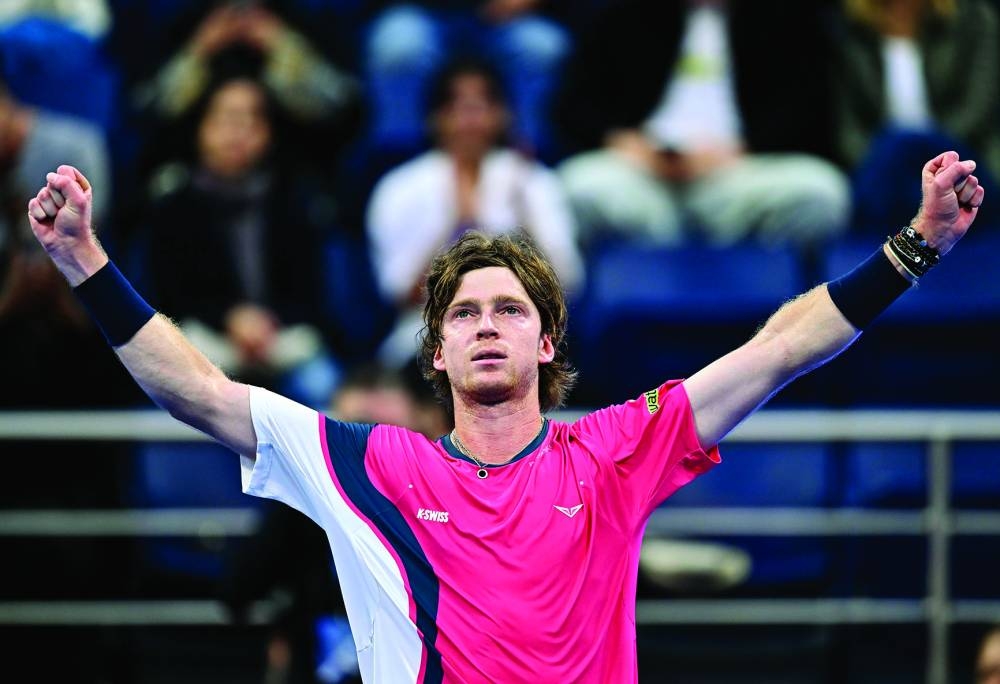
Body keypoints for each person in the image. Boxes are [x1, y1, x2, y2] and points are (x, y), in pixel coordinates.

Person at [27, 150, 983, 681]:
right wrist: (86, 268)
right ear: (435, 350)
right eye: (466, 313)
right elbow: (197, 390)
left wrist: (914, 246)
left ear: (546, 345)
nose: (488, 326)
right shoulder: (370, 462)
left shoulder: (615, 449)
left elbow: (780, 347)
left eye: (511, 310)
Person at [556, 0, 850, 248]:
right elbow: (573, 105)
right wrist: (626, 143)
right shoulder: (625, 13)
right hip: (645, 176)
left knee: (821, 192)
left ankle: (767, 300)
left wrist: (741, 150)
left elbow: (805, 110)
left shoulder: (784, 15)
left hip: (738, 173)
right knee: (575, 187)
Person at [366, 58, 583, 367]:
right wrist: (458, 224)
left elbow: (569, 282)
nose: (470, 118)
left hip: (520, 330)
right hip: (425, 332)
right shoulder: (401, 187)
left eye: (482, 105)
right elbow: (399, 295)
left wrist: (526, 223)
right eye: (457, 107)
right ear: (434, 117)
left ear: (503, 115)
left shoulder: (532, 181)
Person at [830, 0, 1000, 234]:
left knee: (905, 143)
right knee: (893, 162)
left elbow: (978, 108)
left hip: (961, 158)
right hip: (885, 167)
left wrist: (931, 161)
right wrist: (881, 159)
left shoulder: (974, 20)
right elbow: (848, 130)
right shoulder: (849, 33)